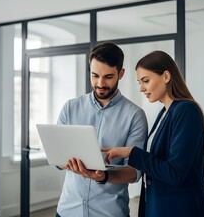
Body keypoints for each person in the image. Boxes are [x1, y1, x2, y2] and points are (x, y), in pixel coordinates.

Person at [103, 50, 204, 217]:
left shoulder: (187, 111)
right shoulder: (164, 113)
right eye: (139, 82)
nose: (141, 88)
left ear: (166, 76)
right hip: (158, 205)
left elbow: (175, 173)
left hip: (178, 209)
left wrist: (131, 153)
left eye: (146, 81)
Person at [56, 42, 148, 217]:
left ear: (121, 74)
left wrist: (103, 177)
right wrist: (66, 162)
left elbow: (134, 172)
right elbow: (57, 158)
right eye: (95, 75)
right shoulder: (70, 107)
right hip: (67, 211)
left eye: (108, 76)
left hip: (109, 213)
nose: (100, 83)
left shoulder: (135, 115)